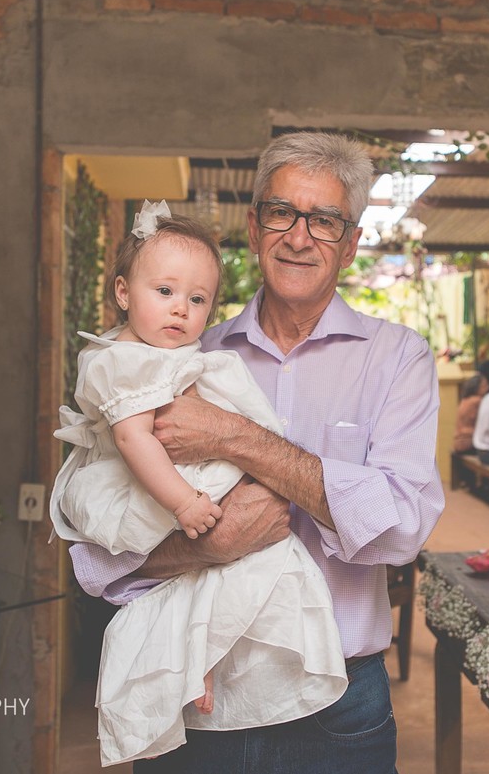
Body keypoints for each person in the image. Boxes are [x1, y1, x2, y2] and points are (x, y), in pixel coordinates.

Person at [69, 131, 445, 773]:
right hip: (195, 695)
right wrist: (205, 545)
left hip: (338, 701)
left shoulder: (396, 358)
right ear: (254, 227)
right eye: (282, 213)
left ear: (351, 244)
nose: (299, 237)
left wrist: (233, 436)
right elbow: (96, 548)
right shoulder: (175, 356)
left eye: (325, 221)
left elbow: (402, 527)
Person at [50, 205, 347, 765]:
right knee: (193, 573)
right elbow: (138, 440)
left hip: (183, 478)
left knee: (223, 574)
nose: (180, 310)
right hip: (155, 488)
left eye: (197, 300)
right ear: (122, 292)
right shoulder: (119, 361)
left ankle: (204, 663)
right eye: (164, 290)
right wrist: (187, 502)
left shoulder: (183, 354)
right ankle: (189, 668)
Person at [453, 373, 489, 453]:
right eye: (484, 386)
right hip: (468, 441)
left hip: (458, 440)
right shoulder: (477, 401)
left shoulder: (465, 400)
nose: (488, 388)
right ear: (476, 388)